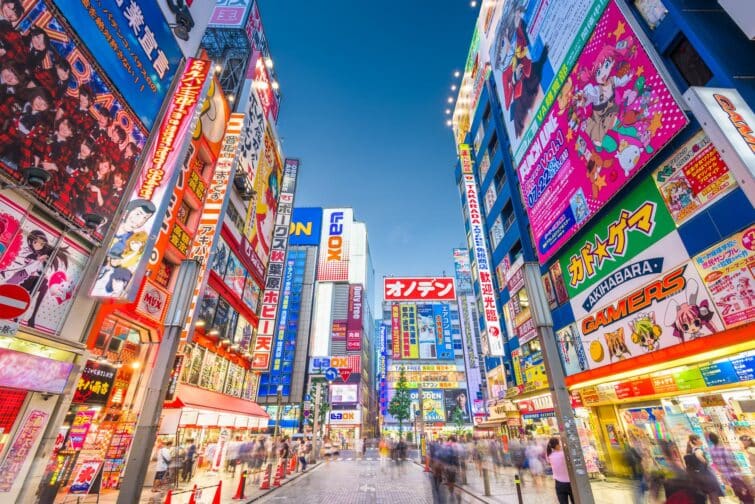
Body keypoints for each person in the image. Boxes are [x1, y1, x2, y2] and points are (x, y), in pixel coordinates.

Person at [708, 432, 754, 504]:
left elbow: (715, 464)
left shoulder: (711, 451)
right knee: (745, 493)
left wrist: (722, 475)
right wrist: (739, 469)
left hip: (727, 476)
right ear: (718, 439)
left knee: (738, 493)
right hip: (734, 474)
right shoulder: (723, 449)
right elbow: (730, 462)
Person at [684, 434, 722, 503]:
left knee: (709, 496)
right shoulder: (698, 450)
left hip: (701, 476)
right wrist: (706, 462)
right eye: (699, 439)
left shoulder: (691, 450)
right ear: (695, 441)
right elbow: (699, 456)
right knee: (713, 495)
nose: (701, 440)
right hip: (707, 476)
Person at [547, 437, 573, 504]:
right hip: (571, 483)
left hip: (559, 484)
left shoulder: (549, 456)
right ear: (557, 445)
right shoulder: (564, 454)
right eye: (559, 443)